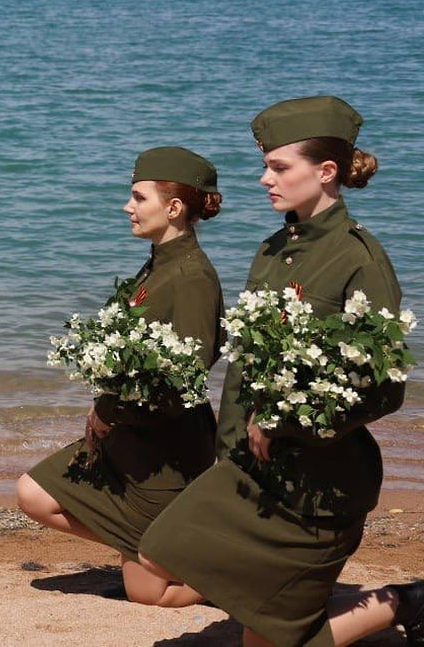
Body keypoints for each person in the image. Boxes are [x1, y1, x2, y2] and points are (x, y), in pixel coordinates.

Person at [139, 96, 423, 646]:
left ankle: (402, 601)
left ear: (326, 172)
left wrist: (284, 422)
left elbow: (385, 389)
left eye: (279, 167)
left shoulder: (360, 258)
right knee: (160, 549)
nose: (264, 177)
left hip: (321, 482)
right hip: (250, 467)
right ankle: (294, 606)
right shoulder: (272, 250)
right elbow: (247, 364)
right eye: (266, 164)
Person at [16, 146, 224, 605]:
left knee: (150, 595)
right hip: (128, 439)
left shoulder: (191, 276)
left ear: (173, 208)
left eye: (137, 197)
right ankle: (150, 547)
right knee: (33, 493)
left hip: (165, 455)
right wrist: (104, 403)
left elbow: (186, 377)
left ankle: (222, 576)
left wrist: (110, 410)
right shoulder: (158, 263)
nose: (126, 206)